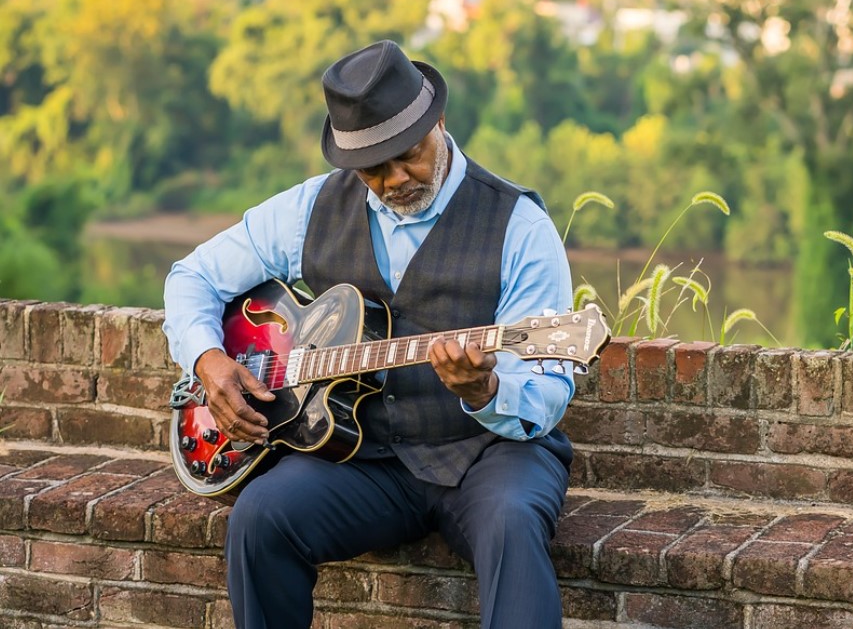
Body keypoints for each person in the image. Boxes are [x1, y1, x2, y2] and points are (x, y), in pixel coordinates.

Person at [163, 40, 575, 629]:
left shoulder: (520, 227)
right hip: (363, 458)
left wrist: (484, 391)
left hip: (493, 453)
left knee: (513, 524)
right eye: (372, 168)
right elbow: (192, 276)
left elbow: (548, 388)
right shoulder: (312, 207)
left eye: (407, 155)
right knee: (259, 516)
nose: (393, 179)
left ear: (438, 121)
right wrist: (208, 360)